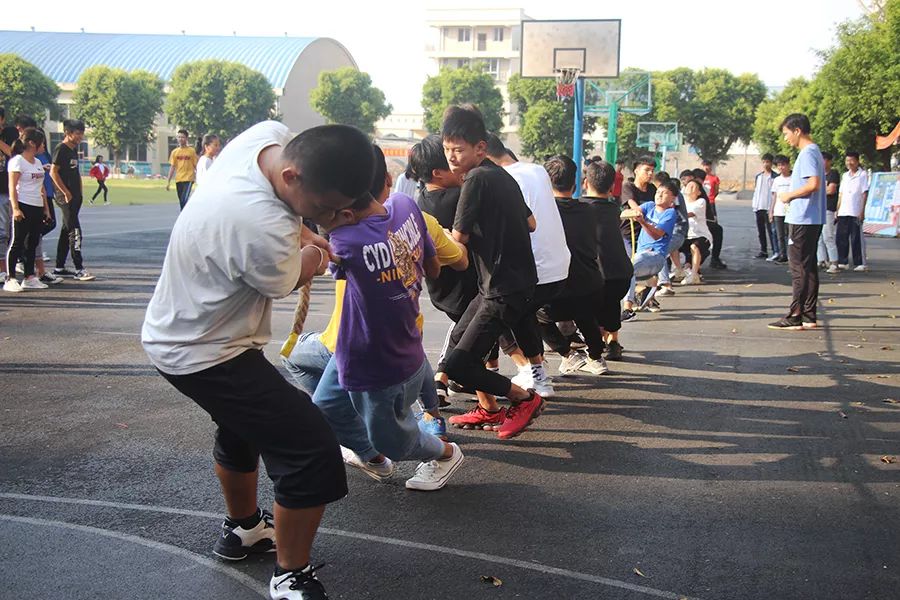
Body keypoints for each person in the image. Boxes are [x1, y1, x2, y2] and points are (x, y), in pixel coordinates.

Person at [142, 121, 376, 600]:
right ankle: (290, 576)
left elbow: (301, 209)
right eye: (324, 209)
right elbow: (291, 276)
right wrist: (316, 253)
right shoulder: (259, 226)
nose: (330, 218)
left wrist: (307, 227)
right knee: (310, 447)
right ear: (291, 177)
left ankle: (244, 528)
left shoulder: (265, 137)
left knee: (243, 425)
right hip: (204, 351)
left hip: (192, 332)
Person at [314, 145, 464, 492]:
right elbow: (434, 267)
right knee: (325, 406)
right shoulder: (406, 206)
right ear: (384, 179)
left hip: (377, 364)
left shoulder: (347, 241)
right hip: (367, 345)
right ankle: (373, 458)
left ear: (342, 211)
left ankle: (445, 453)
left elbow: (307, 266)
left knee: (396, 442)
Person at [439, 105, 546, 439]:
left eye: (458, 150)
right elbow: (531, 223)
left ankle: (524, 399)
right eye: (447, 149)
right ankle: (488, 409)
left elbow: (458, 241)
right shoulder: (503, 176)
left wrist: (431, 237)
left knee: (458, 366)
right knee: (456, 345)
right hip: (507, 284)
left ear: (480, 148)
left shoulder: (474, 179)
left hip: (502, 289)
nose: (451, 157)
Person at [484, 133, 569, 395]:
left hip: (534, 270)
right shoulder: (537, 170)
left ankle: (531, 372)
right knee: (517, 312)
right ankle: (534, 371)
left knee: (495, 307)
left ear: (483, 154)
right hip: (559, 265)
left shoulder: (501, 180)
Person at [408, 134, 478, 404]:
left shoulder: (421, 201)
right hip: (464, 283)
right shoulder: (459, 197)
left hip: (440, 285)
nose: (459, 165)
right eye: (452, 161)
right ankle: (442, 378)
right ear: (437, 172)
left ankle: (452, 380)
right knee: (469, 330)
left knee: (468, 331)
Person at [539, 154, 608, 374]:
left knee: (533, 314)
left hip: (556, 290)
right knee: (585, 315)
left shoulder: (542, 211)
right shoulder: (589, 210)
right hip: (590, 285)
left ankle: (567, 354)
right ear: (575, 184)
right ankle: (596, 358)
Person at [769, 113, 826, 330]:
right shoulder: (814, 151)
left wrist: (788, 196)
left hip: (803, 218)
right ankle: (809, 315)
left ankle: (795, 315)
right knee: (808, 267)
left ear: (797, 131)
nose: (786, 138)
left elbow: (813, 184)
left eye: (786, 133)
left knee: (798, 267)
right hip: (811, 218)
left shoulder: (808, 152)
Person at [582, 158, 632, 361]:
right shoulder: (614, 209)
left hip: (593, 276)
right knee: (611, 303)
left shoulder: (579, 207)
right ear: (612, 186)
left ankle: (597, 342)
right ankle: (613, 341)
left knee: (590, 306)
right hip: (621, 274)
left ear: (585, 183)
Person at [4, 128, 52, 292]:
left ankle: (29, 277)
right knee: (17, 242)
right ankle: (10, 278)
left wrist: (46, 209)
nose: (43, 146)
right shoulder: (17, 161)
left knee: (33, 243)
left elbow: (41, 188)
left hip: (36, 206)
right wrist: (16, 209)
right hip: (23, 205)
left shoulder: (37, 162)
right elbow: (12, 187)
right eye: (41, 143)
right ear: (31, 143)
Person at [621, 180, 679, 309]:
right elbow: (633, 211)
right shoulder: (649, 206)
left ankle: (628, 308)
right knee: (623, 272)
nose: (659, 195)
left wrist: (643, 222)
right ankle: (644, 290)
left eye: (664, 193)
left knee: (628, 269)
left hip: (656, 256)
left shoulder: (670, 213)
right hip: (641, 256)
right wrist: (633, 213)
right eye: (658, 192)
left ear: (673, 198)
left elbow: (657, 235)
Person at [50, 119, 95, 282]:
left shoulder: (73, 149)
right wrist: (65, 192)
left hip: (75, 196)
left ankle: (59, 267)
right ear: (68, 133)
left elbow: (75, 172)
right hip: (65, 197)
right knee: (75, 232)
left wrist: (79, 191)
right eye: (77, 134)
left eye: (82, 134)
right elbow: (53, 172)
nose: (80, 137)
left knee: (66, 229)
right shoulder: (61, 149)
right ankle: (79, 268)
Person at [620, 156, 657, 321]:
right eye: (646, 170)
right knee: (630, 268)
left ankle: (648, 296)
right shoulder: (628, 187)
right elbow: (634, 206)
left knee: (653, 266)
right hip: (628, 235)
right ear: (636, 170)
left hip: (647, 235)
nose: (650, 174)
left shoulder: (653, 189)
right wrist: (640, 213)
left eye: (652, 171)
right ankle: (627, 307)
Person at [654, 171, 688, 300]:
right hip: (675, 231)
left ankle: (666, 284)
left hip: (677, 231)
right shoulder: (673, 193)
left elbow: (669, 208)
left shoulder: (673, 195)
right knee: (668, 249)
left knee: (659, 251)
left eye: (659, 189)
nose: (659, 194)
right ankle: (678, 271)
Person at [835, 151, 869, 272]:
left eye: (852, 160)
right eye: (847, 160)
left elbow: (864, 194)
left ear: (857, 161)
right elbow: (841, 194)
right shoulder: (845, 175)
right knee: (841, 238)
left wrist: (862, 211)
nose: (849, 163)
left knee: (856, 238)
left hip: (855, 211)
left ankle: (860, 262)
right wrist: (837, 209)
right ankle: (843, 261)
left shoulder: (862, 175)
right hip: (843, 211)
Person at [0, 107, 20, 284]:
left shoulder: (9, 134)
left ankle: (4, 269)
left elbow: (14, 155)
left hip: (5, 190)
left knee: (5, 232)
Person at [679, 179, 713, 285]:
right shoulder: (680, 201)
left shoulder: (701, 202)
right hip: (685, 235)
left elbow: (690, 214)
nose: (690, 187)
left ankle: (693, 274)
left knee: (694, 247)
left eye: (693, 186)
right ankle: (678, 270)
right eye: (689, 185)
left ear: (698, 192)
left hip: (700, 235)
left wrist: (675, 214)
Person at [699, 161, 727, 269]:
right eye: (705, 165)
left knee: (715, 227)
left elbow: (716, 191)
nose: (707, 167)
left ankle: (714, 258)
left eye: (708, 165)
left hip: (710, 203)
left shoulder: (714, 178)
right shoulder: (697, 179)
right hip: (701, 205)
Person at [817, 152, 840, 271]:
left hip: (828, 208)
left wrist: (817, 189)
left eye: (824, 160)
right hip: (817, 208)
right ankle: (821, 260)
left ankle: (834, 261)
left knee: (828, 236)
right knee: (818, 237)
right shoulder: (817, 175)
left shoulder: (833, 173)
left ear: (829, 161)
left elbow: (831, 190)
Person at [165, 129, 198, 209]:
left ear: (186, 138)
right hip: (179, 179)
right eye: (179, 137)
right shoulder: (174, 152)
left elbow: (196, 165)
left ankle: (184, 215)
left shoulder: (191, 151)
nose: (180, 139)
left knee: (184, 199)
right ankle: (185, 213)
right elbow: (172, 167)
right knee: (181, 200)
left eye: (182, 137)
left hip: (188, 178)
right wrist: (168, 181)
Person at [752, 153, 776, 259]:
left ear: (771, 163)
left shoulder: (775, 177)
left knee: (771, 231)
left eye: (768, 162)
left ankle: (775, 250)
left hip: (769, 207)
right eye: (764, 162)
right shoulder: (759, 176)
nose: (765, 164)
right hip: (759, 207)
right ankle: (763, 250)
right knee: (761, 230)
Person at [768, 156, 791, 264]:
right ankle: (783, 255)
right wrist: (771, 211)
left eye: (783, 165)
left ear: (788, 165)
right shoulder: (777, 180)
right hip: (779, 210)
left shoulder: (794, 178)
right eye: (779, 165)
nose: (781, 167)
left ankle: (791, 255)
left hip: (790, 210)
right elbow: (774, 196)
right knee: (780, 235)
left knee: (790, 235)